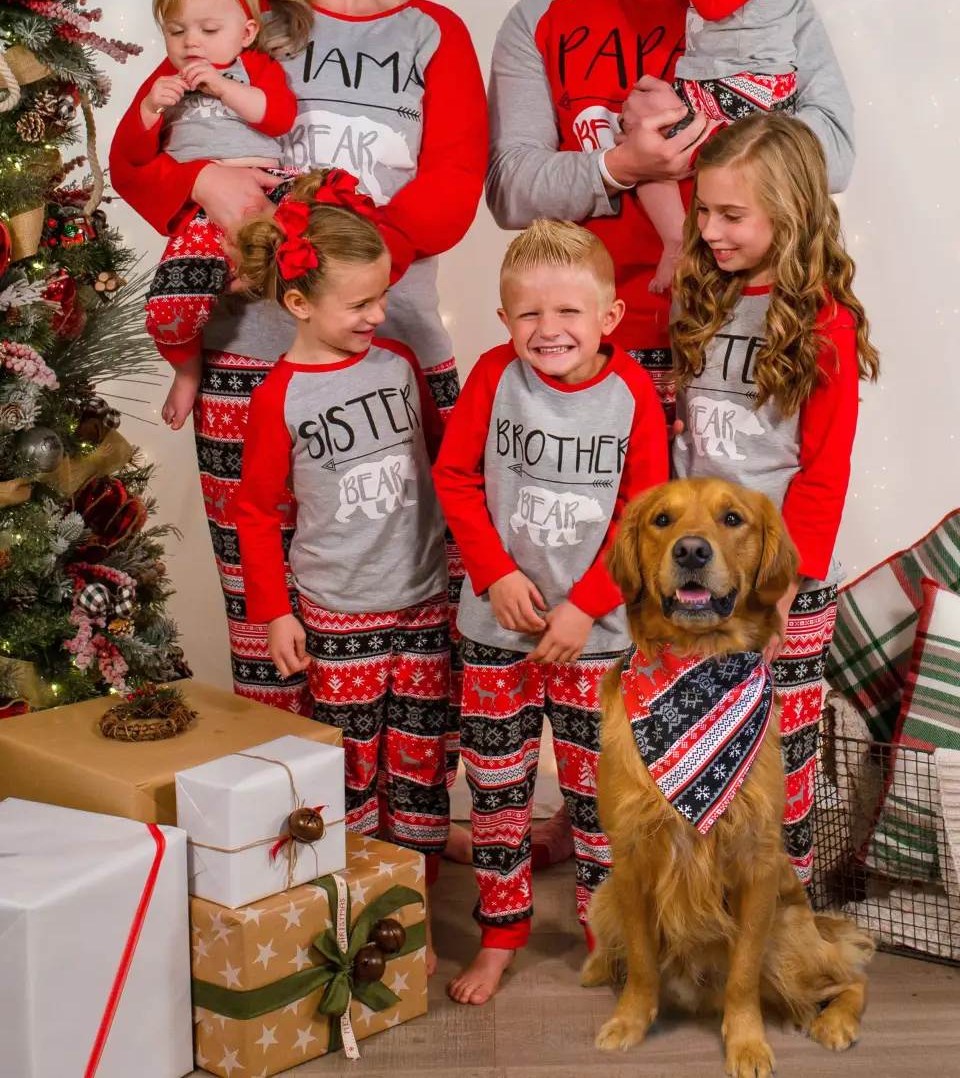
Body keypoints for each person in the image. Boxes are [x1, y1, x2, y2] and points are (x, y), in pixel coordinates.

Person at [486, 0, 854, 861]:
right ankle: (613, 818)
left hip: (734, 330)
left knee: (716, 588)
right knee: (605, 588)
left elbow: (833, 144)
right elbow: (515, 189)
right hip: (600, 343)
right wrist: (621, 167)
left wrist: (717, 152)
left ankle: (726, 822)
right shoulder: (538, 19)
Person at [110, 0, 487, 764]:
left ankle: (406, 828)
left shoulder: (432, 33)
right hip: (250, 359)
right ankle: (296, 830)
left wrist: (333, 263)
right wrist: (202, 191)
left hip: (391, 350)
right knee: (266, 604)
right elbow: (149, 154)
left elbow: (449, 189)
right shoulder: (244, 23)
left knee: (417, 591)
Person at [433, 220, 669, 1004]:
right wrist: (494, 573)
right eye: (529, 314)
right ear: (504, 320)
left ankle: (612, 933)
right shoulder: (495, 375)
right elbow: (456, 477)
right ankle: (501, 935)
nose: (548, 329)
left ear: (608, 317)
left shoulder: (632, 393)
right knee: (496, 793)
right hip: (496, 634)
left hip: (594, 643)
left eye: (569, 312)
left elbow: (648, 514)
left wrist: (587, 606)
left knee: (601, 799)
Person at [233, 168, 449, 970]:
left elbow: (437, 462)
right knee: (354, 768)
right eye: (359, 304)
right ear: (299, 304)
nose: (377, 315)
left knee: (422, 761)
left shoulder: (396, 365)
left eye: (381, 298)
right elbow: (255, 512)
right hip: (338, 613)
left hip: (423, 599)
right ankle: (364, 906)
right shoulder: (279, 397)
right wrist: (275, 611)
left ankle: (417, 903)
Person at [670, 114, 880, 883]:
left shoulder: (823, 320)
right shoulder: (704, 295)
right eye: (703, 211)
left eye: (733, 216)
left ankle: (778, 903)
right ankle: (704, 897)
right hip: (694, 574)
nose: (712, 230)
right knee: (697, 738)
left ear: (787, 215)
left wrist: (783, 583)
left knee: (777, 750)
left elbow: (824, 471)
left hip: (776, 580)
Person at [627, 0, 811, 294]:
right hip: (717, 81)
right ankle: (677, 239)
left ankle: (690, 243)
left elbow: (712, 1)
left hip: (749, 93)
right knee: (642, 117)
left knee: (648, 122)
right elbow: (697, 6)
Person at [131, 0, 299, 431]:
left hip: (270, 187)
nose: (191, 43)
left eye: (208, 30)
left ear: (245, 33)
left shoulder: (254, 68)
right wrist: (148, 108)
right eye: (177, 31)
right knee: (168, 308)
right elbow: (132, 155)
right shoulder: (165, 82)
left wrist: (223, 87)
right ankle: (187, 370)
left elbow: (278, 116)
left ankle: (270, 274)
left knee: (327, 213)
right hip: (202, 211)